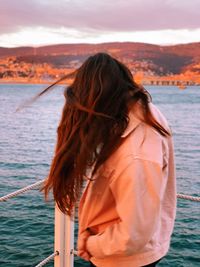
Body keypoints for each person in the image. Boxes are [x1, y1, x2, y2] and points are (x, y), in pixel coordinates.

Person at [41, 53, 177, 267]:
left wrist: (91, 244)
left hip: (123, 258)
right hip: (145, 245)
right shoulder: (146, 112)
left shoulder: (135, 153)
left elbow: (133, 235)